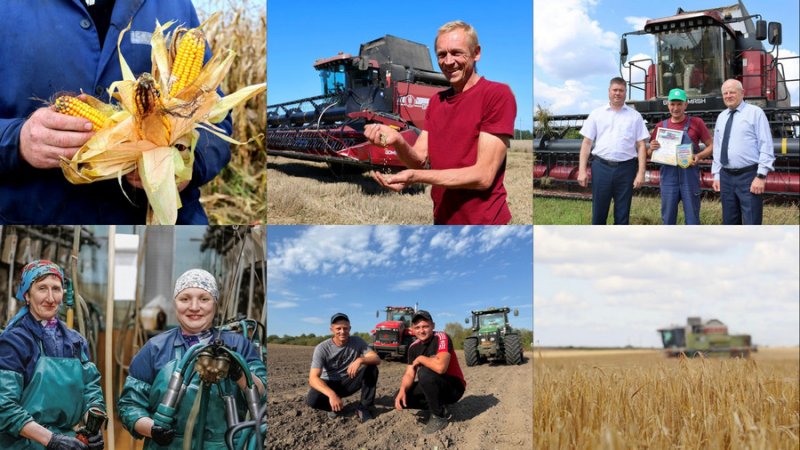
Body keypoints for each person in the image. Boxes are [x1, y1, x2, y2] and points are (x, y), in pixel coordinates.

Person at [0, 1, 232, 224]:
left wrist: (188, 161)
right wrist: (16, 140)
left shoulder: (176, 5)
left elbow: (216, 119)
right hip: (35, 214)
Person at [362, 21, 517, 225]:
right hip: (443, 218)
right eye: (441, 55)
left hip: (484, 221)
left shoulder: (496, 95)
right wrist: (397, 140)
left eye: (456, 53)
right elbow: (418, 159)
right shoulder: (436, 101)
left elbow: (483, 176)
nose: (448, 61)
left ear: (476, 53)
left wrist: (416, 177)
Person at [118, 269, 266, 449]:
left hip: (227, 444)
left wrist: (239, 373)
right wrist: (153, 429)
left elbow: (263, 395)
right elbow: (129, 405)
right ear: (175, 303)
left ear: (215, 303)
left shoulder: (239, 346)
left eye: (204, 299)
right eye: (185, 298)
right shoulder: (154, 348)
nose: (194, 307)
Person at [0, 260, 105, 450]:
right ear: (27, 294)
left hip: (68, 443)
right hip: (22, 444)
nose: (50, 298)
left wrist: (93, 425)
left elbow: (91, 390)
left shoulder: (75, 341)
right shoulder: (13, 342)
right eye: (42, 288)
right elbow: (4, 406)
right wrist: (51, 439)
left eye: (56, 289)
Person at [578, 77, 648, 224]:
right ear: (609, 92)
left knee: (622, 215)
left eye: (621, 90)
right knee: (599, 214)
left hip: (626, 169)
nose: (617, 93)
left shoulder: (635, 117)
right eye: (615, 90)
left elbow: (641, 145)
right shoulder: (597, 114)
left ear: (625, 93)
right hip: (601, 167)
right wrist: (582, 170)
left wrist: (641, 173)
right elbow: (586, 143)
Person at [712, 79, 775, 224]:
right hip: (726, 177)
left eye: (732, 92)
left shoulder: (755, 113)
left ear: (742, 93)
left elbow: (766, 145)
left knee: (751, 221)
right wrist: (716, 174)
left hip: (749, 176)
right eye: (725, 93)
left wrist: (760, 176)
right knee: (729, 221)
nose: (728, 96)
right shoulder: (721, 117)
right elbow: (717, 148)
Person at [648, 88, 713, 224]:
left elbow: (712, 146)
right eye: (673, 104)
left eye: (679, 104)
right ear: (668, 105)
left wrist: (699, 156)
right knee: (668, 218)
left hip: (689, 176)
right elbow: (649, 153)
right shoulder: (661, 127)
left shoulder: (697, 123)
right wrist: (651, 149)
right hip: (668, 178)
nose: (675, 108)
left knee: (692, 219)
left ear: (685, 104)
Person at [394, 310, 466, 434]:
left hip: (454, 387)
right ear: (412, 329)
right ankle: (440, 406)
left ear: (433, 326)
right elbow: (409, 373)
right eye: (417, 327)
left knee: (425, 372)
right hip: (434, 383)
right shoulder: (413, 347)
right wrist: (402, 390)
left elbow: (441, 367)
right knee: (401, 397)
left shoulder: (441, 337)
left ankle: (438, 417)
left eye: (425, 326)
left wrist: (421, 358)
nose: (421, 331)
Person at [306, 313, 381, 422]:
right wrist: (332, 394)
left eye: (345, 328)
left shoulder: (357, 341)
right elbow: (313, 379)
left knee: (371, 368)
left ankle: (364, 407)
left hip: (348, 382)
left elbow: (376, 359)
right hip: (329, 383)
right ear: (331, 329)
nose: (342, 331)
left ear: (349, 328)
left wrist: (360, 360)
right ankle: (333, 407)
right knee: (312, 400)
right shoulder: (322, 348)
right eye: (338, 328)